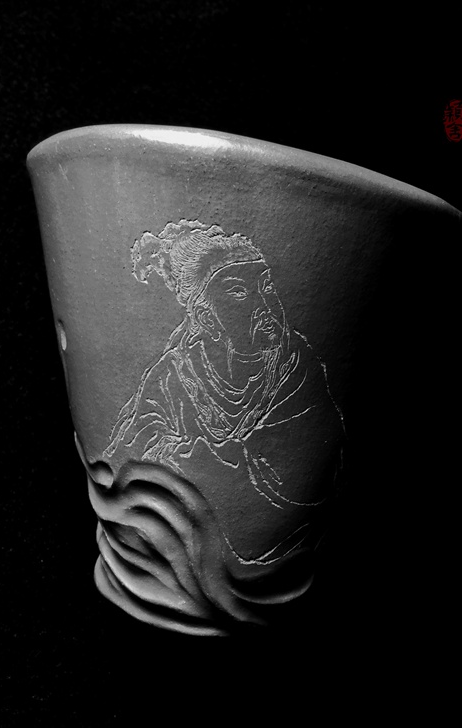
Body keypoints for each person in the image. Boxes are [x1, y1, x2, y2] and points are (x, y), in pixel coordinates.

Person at [103, 220, 345, 550]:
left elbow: (309, 469)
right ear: (207, 318)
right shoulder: (174, 375)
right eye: (239, 293)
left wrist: (200, 460)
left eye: (267, 288)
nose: (264, 306)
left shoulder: (297, 367)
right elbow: (132, 457)